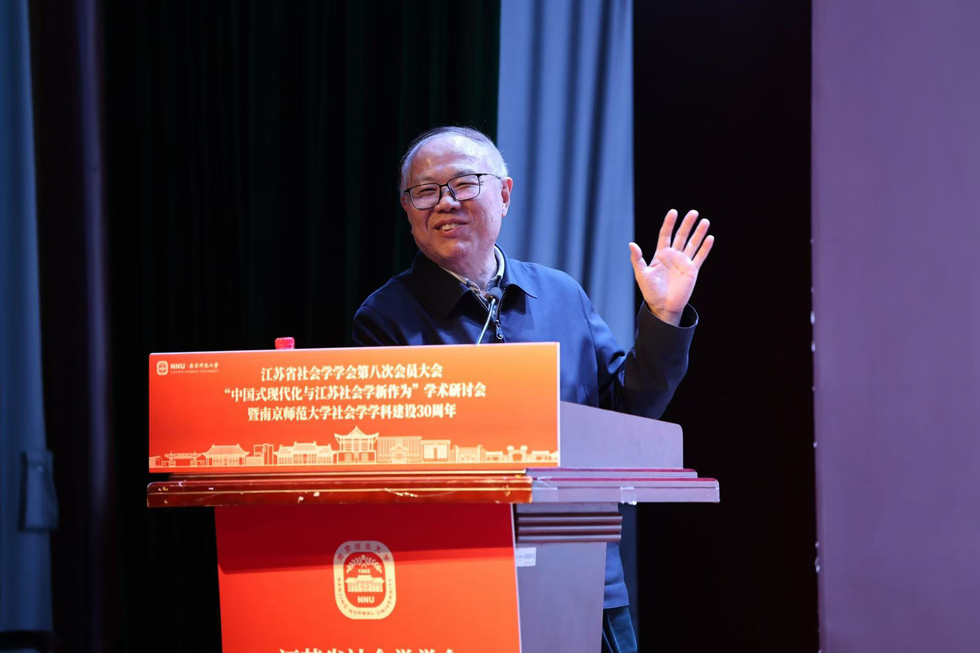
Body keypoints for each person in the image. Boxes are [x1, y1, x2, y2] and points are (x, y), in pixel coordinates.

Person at [352, 126, 714, 653]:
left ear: (504, 194)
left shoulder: (560, 293)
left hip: (584, 570)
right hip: (460, 578)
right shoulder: (385, 318)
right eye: (425, 191)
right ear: (408, 211)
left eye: (464, 183)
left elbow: (627, 413)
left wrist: (663, 317)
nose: (445, 202)